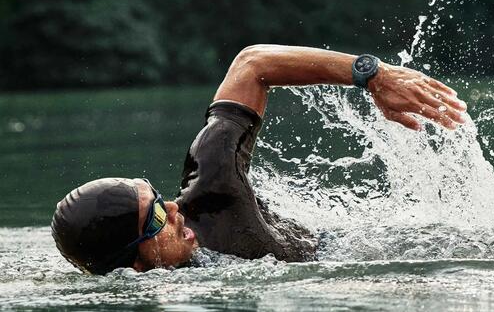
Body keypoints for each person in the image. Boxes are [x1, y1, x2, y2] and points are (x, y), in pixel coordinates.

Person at [51, 45, 467, 275]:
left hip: (343, 246)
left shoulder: (215, 194)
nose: (175, 209)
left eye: (160, 198)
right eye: (157, 218)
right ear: (134, 265)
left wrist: (372, 75)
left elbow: (253, 64)